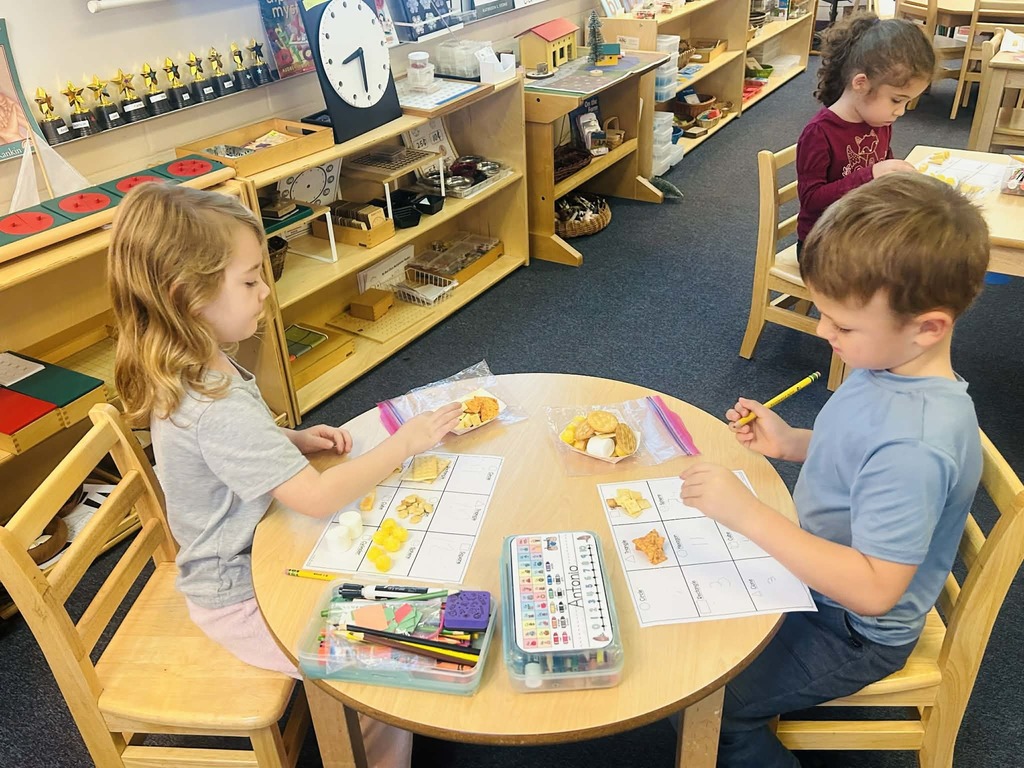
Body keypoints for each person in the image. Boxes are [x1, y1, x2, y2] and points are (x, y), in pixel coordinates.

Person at [108, 182, 462, 768]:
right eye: (249, 281)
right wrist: (407, 442)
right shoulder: (212, 401)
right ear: (186, 296)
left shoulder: (199, 358)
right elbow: (318, 497)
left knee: (398, 565)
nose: (265, 292)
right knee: (382, 660)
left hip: (256, 550)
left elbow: (230, 450)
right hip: (241, 596)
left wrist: (287, 441)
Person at [678, 173, 990, 768]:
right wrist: (793, 442)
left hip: (852, 627)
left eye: (841, 325)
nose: (823, 332)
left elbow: (874, 590)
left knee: (709, 705)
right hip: (820, 576)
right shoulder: (890, 366)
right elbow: (856, 451)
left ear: (928, 326)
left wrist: (748, 515)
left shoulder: (914, 446)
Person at [795, 14, 935, 256]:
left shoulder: (879, 120)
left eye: (907, 103)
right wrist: (870, 176)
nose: (900, 112)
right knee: (902, 271)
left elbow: (882, 167)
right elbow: (811, 199)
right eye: (896, 100)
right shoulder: (819, 133)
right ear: (861, 83)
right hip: (823, 244)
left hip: (861, 231)